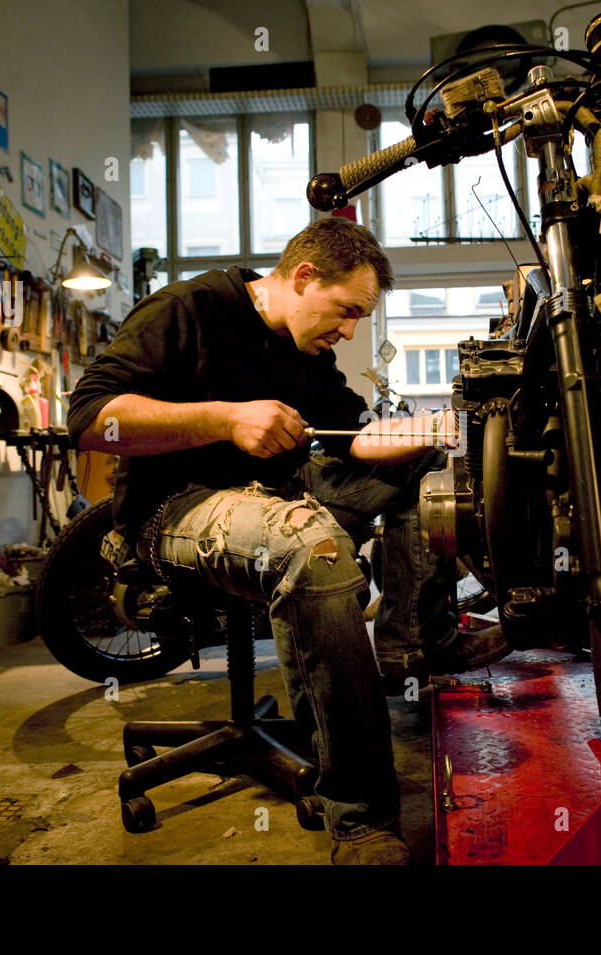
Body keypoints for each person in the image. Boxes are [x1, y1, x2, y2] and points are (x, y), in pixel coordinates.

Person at [68, 218, 510, 865]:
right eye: (347, 310)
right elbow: (89, 421)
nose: (351, 331)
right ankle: (361, 817)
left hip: (277, 491)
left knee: (425, 467)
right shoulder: (189, 309)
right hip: (173, 509)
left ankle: (413, 644)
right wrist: (226, 419)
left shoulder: (307, 352)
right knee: (313, 547)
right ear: (303, 277)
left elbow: (359, 438)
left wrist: (444, 425)